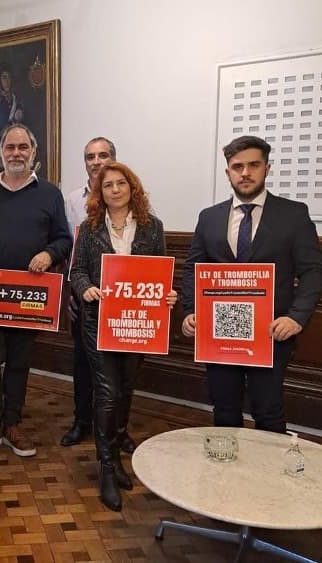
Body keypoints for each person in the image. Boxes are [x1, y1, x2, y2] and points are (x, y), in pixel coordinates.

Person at [182, 135, 322, 434]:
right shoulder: (208, 218)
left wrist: (296, 318)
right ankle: (227, 476)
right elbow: (193, 268)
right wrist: (190, 311)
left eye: (253, 165)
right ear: (227, 172)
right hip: (219, 332)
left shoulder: (294, 214)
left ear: (267, 168)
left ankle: (268, 479)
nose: (245, 173)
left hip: (271, 332)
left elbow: (312, 271)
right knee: (224, 408)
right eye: (237, 166)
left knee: (268, 410)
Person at [0, 123, 72, 458]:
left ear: (34, 153)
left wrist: (48, 254)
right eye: (10, 147)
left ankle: (13, 424)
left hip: (30, 296)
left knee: (20, 363)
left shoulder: (50, 194)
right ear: (0, 153)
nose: (17, 153)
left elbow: (64, 239)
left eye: (23, 147)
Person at [71, 161, 177, 512]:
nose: (114, 190)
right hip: (97, 323)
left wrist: (168, 295)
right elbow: (77, 271)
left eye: (121, 183)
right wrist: (85, 288)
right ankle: (105, 465)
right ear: (99, 193)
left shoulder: (152, 227)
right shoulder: (88, 229)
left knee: (126, 388)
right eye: (107, 185)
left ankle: (115, 455)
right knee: (107, 390)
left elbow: (161, 271)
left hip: (138, 324)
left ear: (133, 187)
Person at [61, 137, 119, 449]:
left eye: (103, 155)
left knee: (120, 369)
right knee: (82, 363)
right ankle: (81, 421)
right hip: (83, 296)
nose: (96, 161)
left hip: (121, 300)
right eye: (90, 157)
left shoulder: (129, 197)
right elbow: (66, 247)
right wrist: (73, 290)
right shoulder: (71, 201)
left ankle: (116, 428)